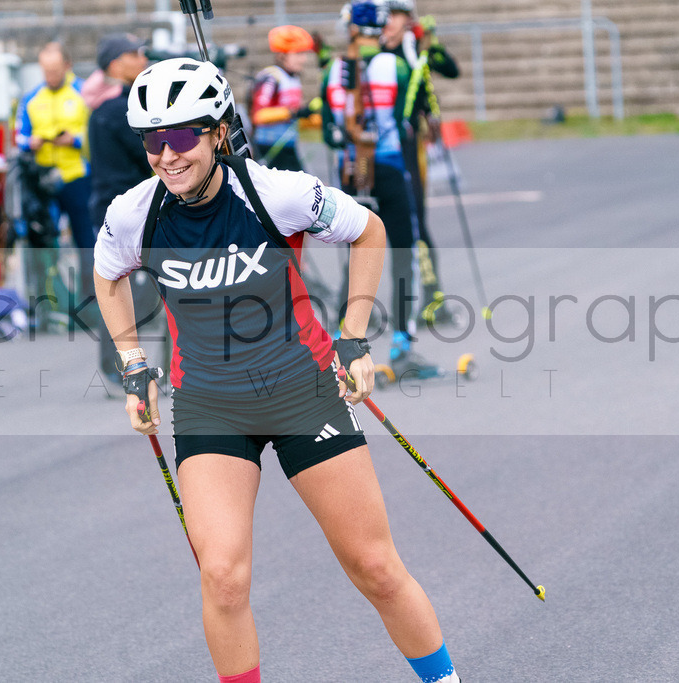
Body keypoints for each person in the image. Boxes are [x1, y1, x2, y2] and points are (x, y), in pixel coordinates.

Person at [93, 56, 459, 683]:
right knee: (222, 577)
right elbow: (108, 277)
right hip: (211, 404)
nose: (167, 155)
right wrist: (133, 366)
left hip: (303, 393)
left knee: (374, 566)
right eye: (152, 140)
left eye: (181, 135)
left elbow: (369, 231)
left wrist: (353, 337)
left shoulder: (275, 193)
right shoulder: (134, 213)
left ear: (218, 133)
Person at [323, 1, 441, 377]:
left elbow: (328, 130)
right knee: (403, 251)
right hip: (388, 166)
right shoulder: (398, 66)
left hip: (352, 172)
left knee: (355, 255)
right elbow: (409, 116)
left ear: (351, 30)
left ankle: (341, 345)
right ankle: (402, 344)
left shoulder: (334, 69)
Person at [380, 0, 461, 327]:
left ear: (407, 19)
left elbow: (451, 70)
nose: (389, 22)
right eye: (386, 16)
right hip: (378, 149)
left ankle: (433, 298)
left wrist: (432, 43)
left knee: (416, 219)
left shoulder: (415, 48)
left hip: (410, 146)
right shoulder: (375, 52)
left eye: (396, 16)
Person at [87, 33, 154, 390]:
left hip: (122, 205)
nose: (142, 58)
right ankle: (119, 368)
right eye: (133, 53)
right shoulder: (117, 108)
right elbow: (149, 154)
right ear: (115, 64)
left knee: (130, 289)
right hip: (122, 210)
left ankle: (122, 368)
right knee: (122, 291)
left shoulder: (111, 103)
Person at [15, 43, 94, 306]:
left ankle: (91, 300)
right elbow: (19, 137)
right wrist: (31, 143)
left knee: (86, 240)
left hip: (77, 178)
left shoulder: (84, 92)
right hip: (44, 182)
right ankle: (51, 301)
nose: (50, 76)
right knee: (46, 242)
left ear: (67, 66)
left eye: (55, 71)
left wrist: (74, 140)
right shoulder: (31, 98)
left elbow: (96, 133)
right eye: (46, 71)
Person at [250, 25, 318, 172]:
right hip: (269, 147)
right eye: (298, 53)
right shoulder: (271, 77)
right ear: (282, 55)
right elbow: (259, 116)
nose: (304, 59)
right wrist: (293, 112)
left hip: (288, 146)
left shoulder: (294, 78)